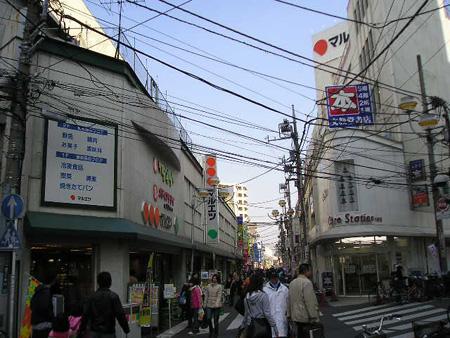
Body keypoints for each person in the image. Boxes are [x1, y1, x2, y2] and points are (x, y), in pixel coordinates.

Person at [78, 271, 130, 338]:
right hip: (109, 332)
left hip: (94, 332)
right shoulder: (113, 297)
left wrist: (81, 329)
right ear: (110, 282)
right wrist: (126, 329)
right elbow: (120, 315)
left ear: (98, 282)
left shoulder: (91, 297)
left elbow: (85, 314)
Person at [239, 273, 279, 338]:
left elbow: (246, 313)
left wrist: (243, 325)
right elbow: (267, 313)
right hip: (262, 324)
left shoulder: (247, 296)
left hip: (251, 325)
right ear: (260, 283)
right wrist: (274, 326)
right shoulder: (263, 296)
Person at [288, 263, 320, 338]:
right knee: (308, 334)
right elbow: (309, 301)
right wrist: (313, 316)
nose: (311, 272)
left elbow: (289, 299)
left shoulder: (292, 283)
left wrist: (289, 314)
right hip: (305, 316)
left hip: (295, 316)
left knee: (300, 334)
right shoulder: (307, 282)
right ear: (306, 271)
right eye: (310, 270)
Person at [263, 269, 289, 338]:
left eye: (275, 277)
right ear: (269, 278)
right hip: (270, 322)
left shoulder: (285, 289)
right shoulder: (264, 290)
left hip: (282, 320)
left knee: (282, 334)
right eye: (272, 277)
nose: (274, 279)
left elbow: (288, 304)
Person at [31, 274, 56, 338]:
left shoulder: (37, 291)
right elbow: (44, 307)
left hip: (35, 323)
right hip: (43, 324)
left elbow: (32, 305)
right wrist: (51, 317)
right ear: (53, 281)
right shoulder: (46, 292)